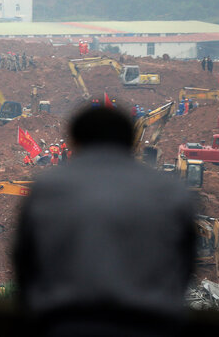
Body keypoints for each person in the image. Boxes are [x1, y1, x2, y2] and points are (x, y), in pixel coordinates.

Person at [14, 106, 195, 337]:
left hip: (66, 324)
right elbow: (185, 263)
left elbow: (25, 263)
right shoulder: (171, 192)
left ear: (75, 141)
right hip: (149, 325)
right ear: (132, 141)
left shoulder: (48, 189)